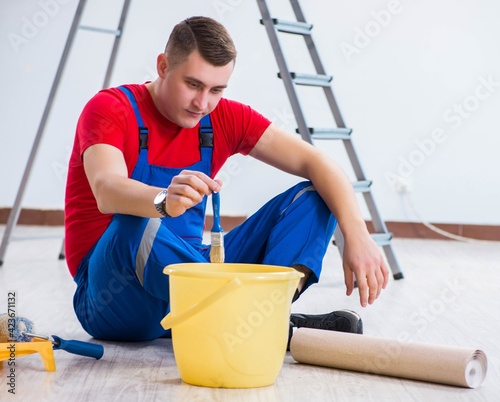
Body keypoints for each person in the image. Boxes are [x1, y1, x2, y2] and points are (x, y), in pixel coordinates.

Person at [65, 16, 389, 342]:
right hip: (115, 293)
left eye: (216, 90)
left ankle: (260, 314)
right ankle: (258, 322)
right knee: (135, 224)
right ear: (163, 66)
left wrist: (356, 235)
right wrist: (162, 200)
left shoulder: (224, 118)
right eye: (192, 84)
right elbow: (106, 188)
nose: (202, 103)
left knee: (316, 196)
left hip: (195, 283)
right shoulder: (110, 108)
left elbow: (317, 162)